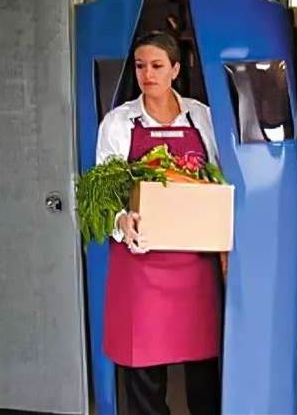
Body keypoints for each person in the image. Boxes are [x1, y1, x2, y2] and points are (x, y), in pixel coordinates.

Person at [96, 31, 222, 415]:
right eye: (140, 66)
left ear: (175, 70)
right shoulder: (118, 123)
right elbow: (102, 193)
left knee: (203, 365)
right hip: (141, 261)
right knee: (144, 365)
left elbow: (221, 178)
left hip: (195, 260)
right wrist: (122, 220)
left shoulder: (202, 116)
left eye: (156, 65)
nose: (147, 75)